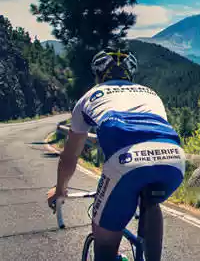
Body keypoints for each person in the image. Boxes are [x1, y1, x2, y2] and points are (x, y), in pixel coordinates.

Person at [47, 47, 185, 261]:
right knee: (150, 200)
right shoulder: (151, 93)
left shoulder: (89, 96)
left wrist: (60, 189)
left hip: (127, 162)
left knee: (104, 241)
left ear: (99, 75)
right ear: (131, 74)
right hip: (174, 158)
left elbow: (70, 156)